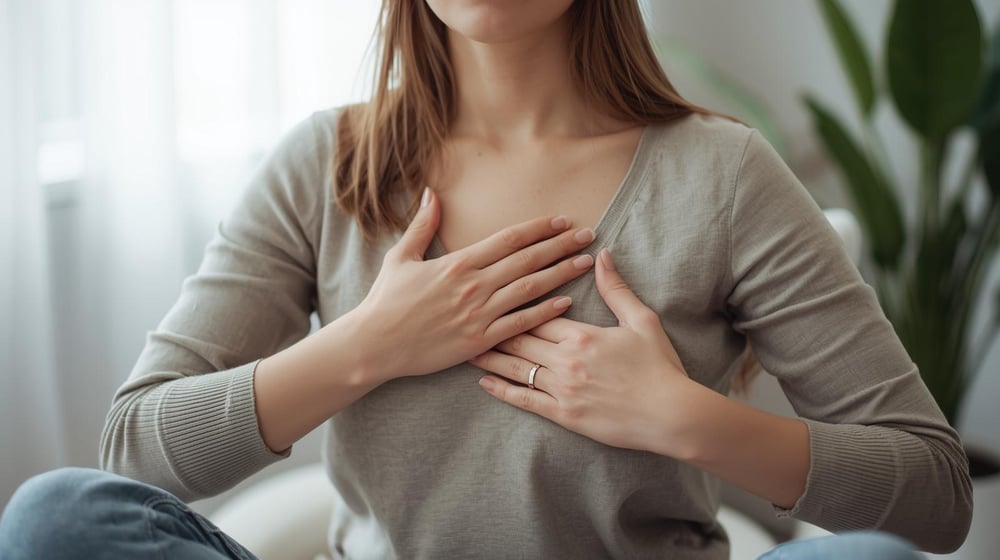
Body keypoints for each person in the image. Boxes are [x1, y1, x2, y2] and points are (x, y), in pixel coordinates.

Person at [0, 1, 972, 559]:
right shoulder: (325, 165)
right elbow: (134, 447)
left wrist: (684, 418)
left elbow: (934, 492)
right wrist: (367, 345)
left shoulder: (722, 176)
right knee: (56, 517)